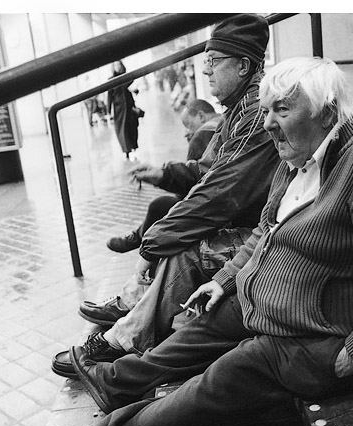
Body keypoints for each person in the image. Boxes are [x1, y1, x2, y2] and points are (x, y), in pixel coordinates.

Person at [28, 56, 353, 426]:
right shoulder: (301, 154)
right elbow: (267, 229)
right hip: (273, 302)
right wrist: (225, 281)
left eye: (282, 110)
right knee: (199, 325)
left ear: (329, 112)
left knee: (224, 379)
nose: (267, 123)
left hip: (321, 332)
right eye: (265, 110)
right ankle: (116, 380)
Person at [49, 14, 280, 376]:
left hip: (268, 233)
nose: (206, 72)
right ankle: (132, 308)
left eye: (213, 62)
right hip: (253, 221)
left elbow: (219, 195)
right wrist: (165, 173)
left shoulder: (255, 115)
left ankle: (125, 337)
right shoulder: (240, 110)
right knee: (171, 223)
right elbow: (208, 173)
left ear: (243, 65)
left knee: (185, 250)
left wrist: (152, 244)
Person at [106, 99, 222, 254]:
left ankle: (140, 241)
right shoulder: (224, 121)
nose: (186, 132)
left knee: (160, 205)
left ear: (201, 116)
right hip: (217, 202)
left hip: (211, 210)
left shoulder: (203, 135)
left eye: (188, 126)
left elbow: (192, 184)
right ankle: (139, 238)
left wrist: (164, 175)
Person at [108, 60, 143, 159]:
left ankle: (134, 148)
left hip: (129, 107)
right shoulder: (111, 80)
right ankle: (127, 151)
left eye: (119, 64)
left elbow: (134, 89)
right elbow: (109, 96)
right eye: (115, 65)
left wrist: (135, 90)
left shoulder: (128, 77)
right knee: (122, 130)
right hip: (119, 110)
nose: (118, 67)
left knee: (132, 127)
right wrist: (108, 111)